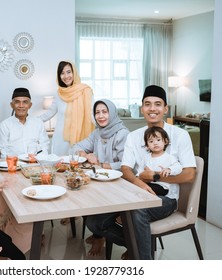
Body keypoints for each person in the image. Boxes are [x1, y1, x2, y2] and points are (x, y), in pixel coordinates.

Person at [86, 85, 196, 260]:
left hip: (166, 198)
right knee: (94, 220)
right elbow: (126, 168)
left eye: (158, 104)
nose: (152, 108)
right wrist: (140, 183)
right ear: (142, 108)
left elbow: (190, 174)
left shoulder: (180, 135)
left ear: (165, 108)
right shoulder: (134, 136)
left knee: (137, 212)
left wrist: (155, 176)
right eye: (147, 104)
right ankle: (137, 245)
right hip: (135, 194)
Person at [73, 99, 129, 256]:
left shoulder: (122, 133)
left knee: (94, 221)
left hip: (120, 185)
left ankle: (132, 244)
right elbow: (76, 147)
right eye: (97, 112)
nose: (101, 116)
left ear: (112, 113)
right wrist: (85, 154)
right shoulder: (97, 132)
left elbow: (126, 164)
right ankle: (99, 235)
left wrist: (102, 164)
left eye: (105, 112)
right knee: (80, 198)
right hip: (101, 182)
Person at [40, 61, 95, 155]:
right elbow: (49, 113)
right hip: (60, 139)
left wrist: (106, 127)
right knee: (59, 167)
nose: (66, 76)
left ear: (74, 73)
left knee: (78, 167)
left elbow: (92, 115)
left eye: (69, 72)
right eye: (62, 73)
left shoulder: (85, 91)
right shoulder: (59, 93)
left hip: (80, 140)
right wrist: (30, 120)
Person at [0, 87, 49, 158]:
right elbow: (1, 150)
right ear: (12, 105)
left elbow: (44, 146)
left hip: (35, 163)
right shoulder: (5, 125)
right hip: (14, 165)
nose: (21, 106)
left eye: (25, 102)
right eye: (17, 102)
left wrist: (40, 159)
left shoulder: (38, 123)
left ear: (30, 105)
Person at [138, 126, 183, 197]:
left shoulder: (169, 157)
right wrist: (140, 177)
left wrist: (169, 169)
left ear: (165, 141)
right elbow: (140, 171)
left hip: (163, 186)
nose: (155, 143)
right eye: (151, 141)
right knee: (136, 187)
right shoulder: (146, 157)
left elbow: (179, 167)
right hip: (147, 183)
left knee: (145, 190)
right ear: (147, 145)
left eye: (158, 140)